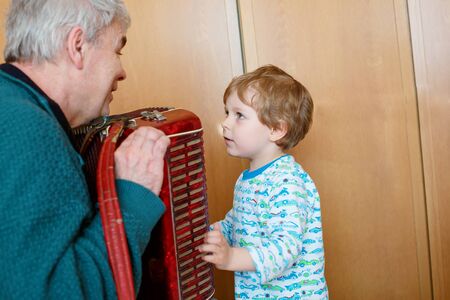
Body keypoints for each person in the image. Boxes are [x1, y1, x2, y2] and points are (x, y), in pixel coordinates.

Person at [0, 0, 170, 299]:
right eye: (117, 50)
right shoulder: (31, 130)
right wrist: (133, 201)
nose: (122, 71)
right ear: (77, 46)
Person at [198, 65, 328, 299]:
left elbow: (286, 248)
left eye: (239, 115)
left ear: (276, 129)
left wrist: (231, 258)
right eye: (227, 112)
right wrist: (207, 234)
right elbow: (240, 221)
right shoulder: (249, 178)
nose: (226, 123)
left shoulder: (286, 182)